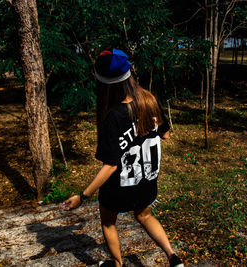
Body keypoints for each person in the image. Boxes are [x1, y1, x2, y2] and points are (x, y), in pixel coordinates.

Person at [62, 49, 183, 267]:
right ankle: (173, 257)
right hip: (147, 182)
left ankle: (118, 264)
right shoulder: (150, 100)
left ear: (105, 84)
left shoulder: (114, 115)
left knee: (108, 222)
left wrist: (83, 195)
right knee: (144, 215)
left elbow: (110, 165)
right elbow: (165, 133)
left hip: (120, 188)